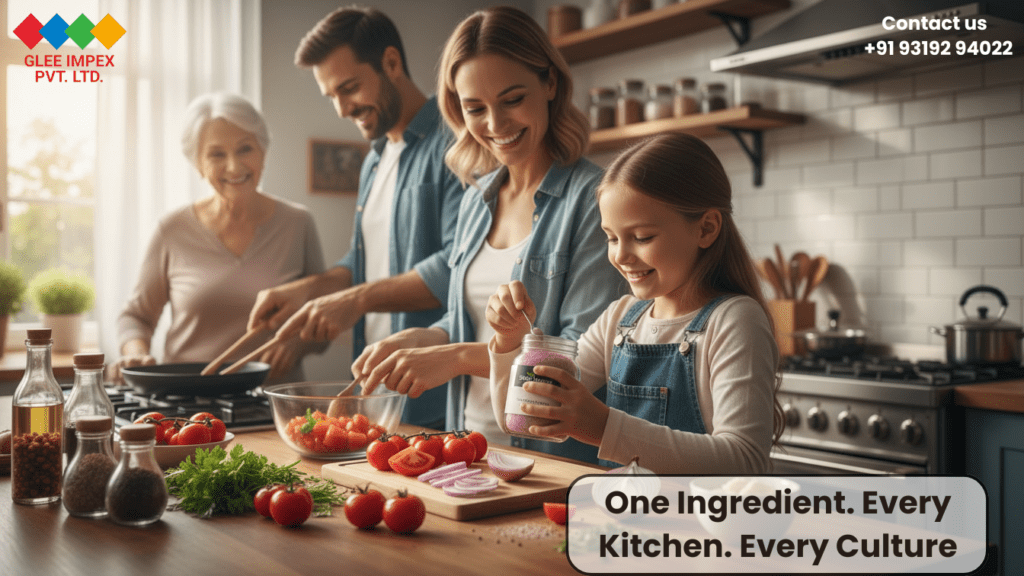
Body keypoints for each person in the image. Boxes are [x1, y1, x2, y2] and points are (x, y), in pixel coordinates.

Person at [356, 6, 623, 462]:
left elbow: (580, 359)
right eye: (475, 108)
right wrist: (426, 338)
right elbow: (473, 318)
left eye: (512, 99)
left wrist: (455, 357)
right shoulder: (476, 199)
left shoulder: (594, 200)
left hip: (549, 460)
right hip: (470, 449)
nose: (495, 125)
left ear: (550, 84)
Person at [486, 133, 784, 474]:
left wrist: (604, 428)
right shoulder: (620, 318)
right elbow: (522, 417)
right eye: (611, 238)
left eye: (642, 237)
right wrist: (508, 340)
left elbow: (744, 461)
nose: (621, 256)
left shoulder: (735, 320)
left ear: (706, 229)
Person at [248, 7, 464, 428]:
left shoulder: (454, 142)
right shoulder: (373, 161)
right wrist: (307, 290)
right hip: (375, 394)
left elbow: (456, 267)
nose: (342, 109)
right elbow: (363, 260)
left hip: (432, 399)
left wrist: (357, 300)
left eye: (349, 88)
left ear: (391, 63)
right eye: (331, 96)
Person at [114, 92, 326, 382]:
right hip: (189, 398)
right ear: (198, 164)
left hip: (273, 398)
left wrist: (297, 344)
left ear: (263, 152)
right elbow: (136, 317)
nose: (234, 166)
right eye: (216, 154)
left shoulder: (299, 223)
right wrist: (136, 352)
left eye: (245, 149)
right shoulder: (171, 230)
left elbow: (325, 318)